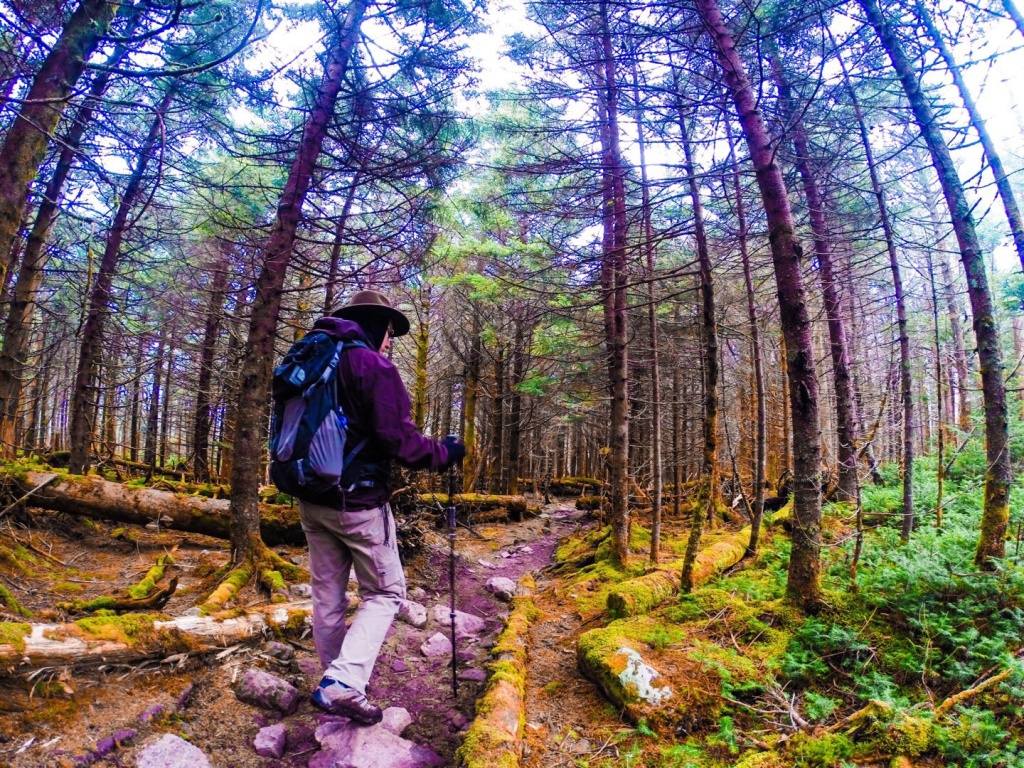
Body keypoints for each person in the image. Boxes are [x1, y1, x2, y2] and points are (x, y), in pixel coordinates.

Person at [299, 289, 465, 725]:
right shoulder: (371, 365)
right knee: (386, 593)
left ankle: (336, 680)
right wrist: (446, 451)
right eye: (389, 331)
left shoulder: (313, 358)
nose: (391, 341)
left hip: (310, 498)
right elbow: (400, 442)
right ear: (374, 325)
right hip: (357, 502)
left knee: (327, 596)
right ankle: (342, 685)